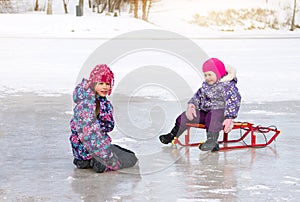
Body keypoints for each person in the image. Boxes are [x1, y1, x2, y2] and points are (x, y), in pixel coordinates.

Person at [159, 58, 241, 152]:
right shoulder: (206, 86)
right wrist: (192, 105)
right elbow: (197, 96)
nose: (207, 77)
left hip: (220, 114)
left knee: (212, 116)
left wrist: (229, 117)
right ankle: (173, 134)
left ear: (219, 73)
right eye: (205, 75)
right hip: (205, 112)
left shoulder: (227, 86)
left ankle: (212, 140)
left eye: (210, 74)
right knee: (185, 116)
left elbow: (233, 101)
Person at [69, 64, 138, 173]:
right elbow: (89, 136)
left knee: (129, 155)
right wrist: (107, 156)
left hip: (90, 150)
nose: (105, 87)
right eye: (101, 83)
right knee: (130, 159)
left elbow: (106, 127)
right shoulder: (87, 104)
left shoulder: (102, 102)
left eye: (107, 84)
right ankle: (97, 162)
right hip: (89, 151)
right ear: (93, 83)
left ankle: (95, 160)